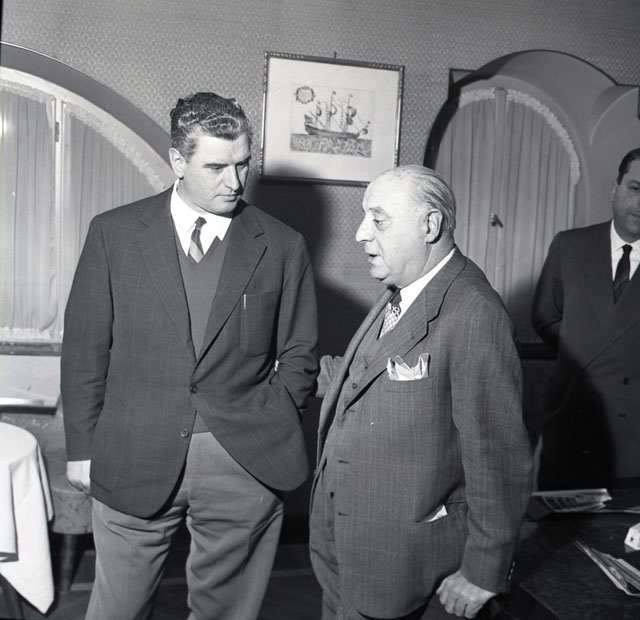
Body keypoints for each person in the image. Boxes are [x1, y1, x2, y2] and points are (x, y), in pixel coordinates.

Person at [61, 92, 318, 620]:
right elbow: (85, 349)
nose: (235, 182)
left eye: (243, 164)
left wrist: (272, 420)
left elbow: (299, 353)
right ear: (178, 161)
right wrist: (82, 448)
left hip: (244, 461)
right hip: (131, 454)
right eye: (216, 167)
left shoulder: (282, 244)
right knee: (117, 610)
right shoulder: (113, 233)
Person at [309, 165, 533, 620]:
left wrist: (484, 572)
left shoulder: (474, 313)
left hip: (403, 568)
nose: (361, 233)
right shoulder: (404, 290)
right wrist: (287, 365)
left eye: (378, 219)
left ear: (430, 225)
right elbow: (364, 379)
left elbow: (499, 459)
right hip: (350, 552)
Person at [532, 147, 640, 490]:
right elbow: (545, 318)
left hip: (632, 443)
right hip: (569, 428)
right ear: (615, 188)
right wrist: (582, 353)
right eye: (635, 189)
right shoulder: (570, 246)